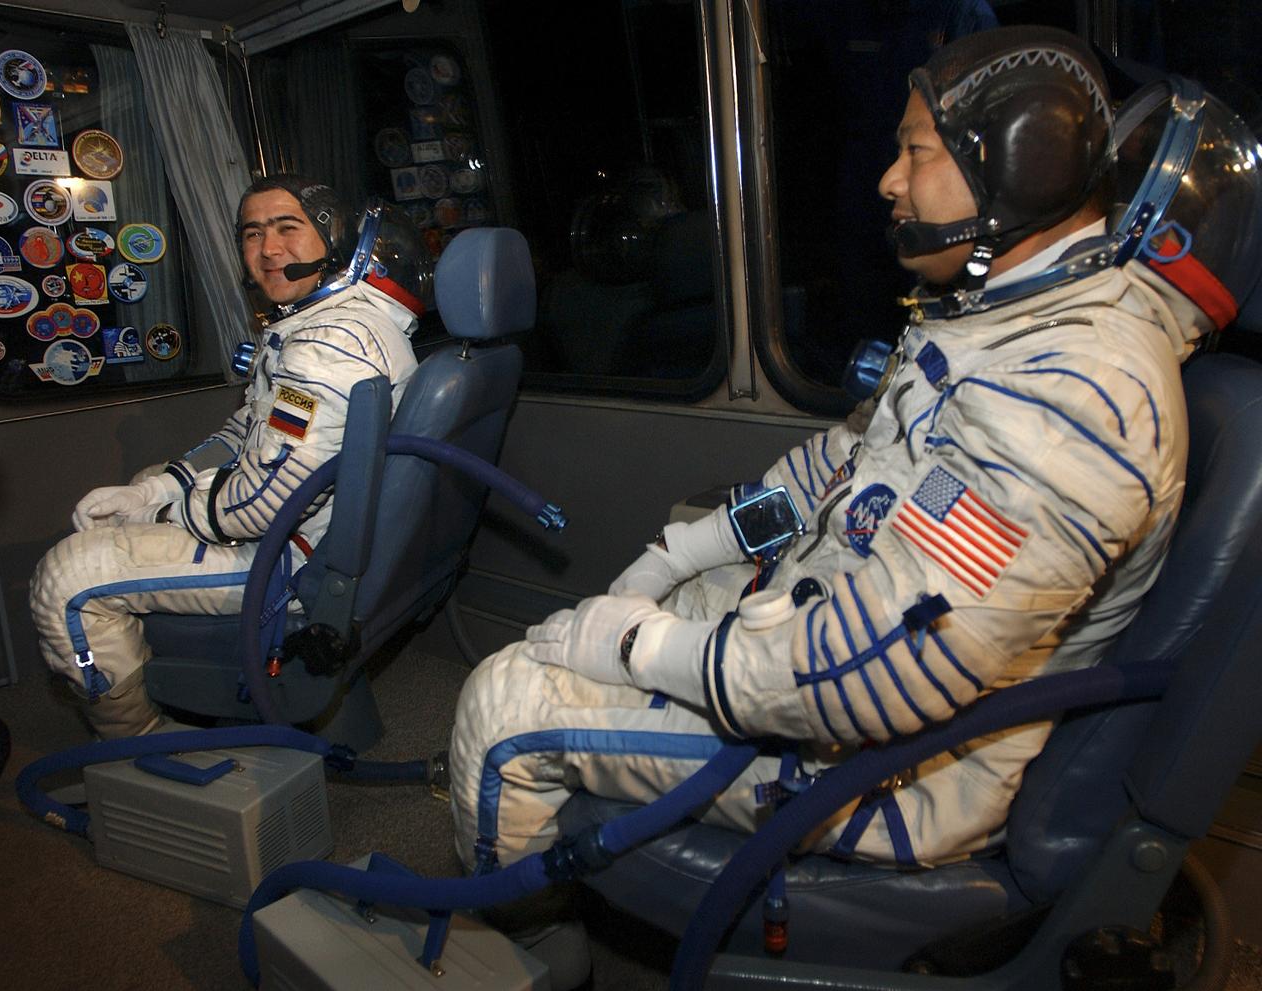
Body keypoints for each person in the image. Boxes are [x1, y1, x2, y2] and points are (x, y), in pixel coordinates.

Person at [450, 22, 1258, 891]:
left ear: (1015, 167)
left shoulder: (1072, 397)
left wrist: (640, 650)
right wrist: (679, 558)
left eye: (914, 152)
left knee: (502, 708)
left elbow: (881, 674)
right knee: (586, 627)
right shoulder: (1003, 324)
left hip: (896, 768)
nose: (888, 181)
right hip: (832, 631)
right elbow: (839, 469)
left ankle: (515, 923)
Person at [29, 175, 429, 739]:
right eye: (252, 233)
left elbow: (260, 508)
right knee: (146, 481)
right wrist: (158, 489)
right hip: (313, 532)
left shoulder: (329, 349)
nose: (268, 250)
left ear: (332, 238)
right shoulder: (328, 323)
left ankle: (141, 745)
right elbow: (247, 428)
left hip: (287, 559)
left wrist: (160, 515)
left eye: (288, 228)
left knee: (65, 581)